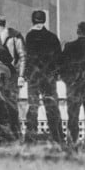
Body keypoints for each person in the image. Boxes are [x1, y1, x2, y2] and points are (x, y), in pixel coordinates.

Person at [24, 9, 64, 143]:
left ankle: (30, 137)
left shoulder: (29, 36)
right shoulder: (52, 37)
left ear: (32, 20)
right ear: (44, 20)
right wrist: (55, 73)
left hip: (34, 77)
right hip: (48, 77)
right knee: (52, 107)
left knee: (33, 106)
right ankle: (58, 137)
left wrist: (26, 75)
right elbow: (59, 58)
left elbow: (27, 58)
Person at [60, 21, 85, 144]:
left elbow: (61, 66)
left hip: (73, 86)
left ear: (78, 31)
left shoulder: (69, 46)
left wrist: (68, 81)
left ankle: (72, 140)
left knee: (73, 115)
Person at [0, 13, 25, 136]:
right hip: (0, 74)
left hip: (12, 74)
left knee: (11, 105)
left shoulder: (15, 36)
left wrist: (21, 76)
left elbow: (22, 57)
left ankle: (15, 133)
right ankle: (4, 133)